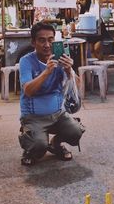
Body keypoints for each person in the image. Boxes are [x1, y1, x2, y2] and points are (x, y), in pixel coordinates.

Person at [18, 22, 84, 166]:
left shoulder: (60, 60)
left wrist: (69, 71)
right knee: (39, 146)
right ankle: (30, 147)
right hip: (33, 117)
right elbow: (28, 90)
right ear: (33, 42)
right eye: (42, 40)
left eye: (50, 39)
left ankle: (55, 143)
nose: (47, 44)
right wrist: (47, 72)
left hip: (58, 114)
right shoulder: (26, 61)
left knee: (76, 132)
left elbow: (78, 86)